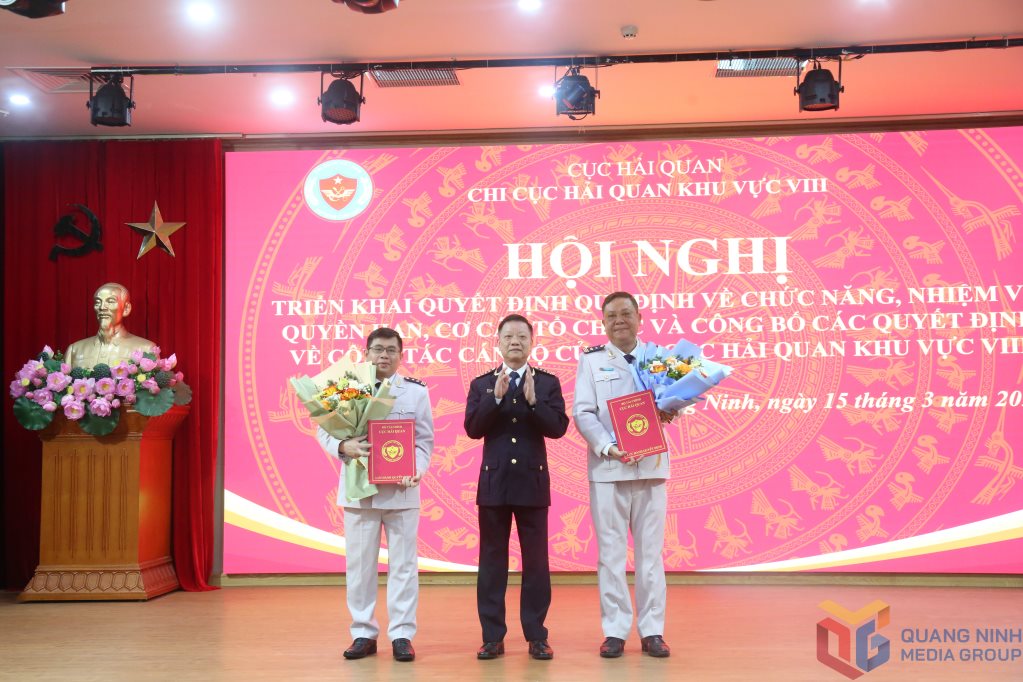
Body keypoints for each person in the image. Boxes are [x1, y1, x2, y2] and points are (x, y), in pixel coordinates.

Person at [316, 327, 434, 663]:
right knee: (360, 568)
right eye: (378, 349)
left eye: (391, 350)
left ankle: (401, 634)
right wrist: (343, 445)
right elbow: (323, 431)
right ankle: (363, 633)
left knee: (404, 567)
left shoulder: (415, 393)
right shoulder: (348, 388)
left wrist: (418, 469)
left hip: (401, 491)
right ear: (366, 352)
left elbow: (424, 441)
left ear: (401, 354)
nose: (384, 355)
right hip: (359, 493)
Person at [572, 292, 680, 659]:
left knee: (651, 556)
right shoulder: (591, 361)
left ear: (639, 317)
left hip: (650, 468)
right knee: (610, 556)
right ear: (603, 322)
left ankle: (652, 631)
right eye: (612, 315)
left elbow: (673, 400)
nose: (619, 320)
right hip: (608, 469)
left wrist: (671, 410)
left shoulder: (658, 358)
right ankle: (615, 631)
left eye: (626, 314)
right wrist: (606, 446)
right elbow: (584, 412)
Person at [464, 314, 569, 661]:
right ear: (497, 342)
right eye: (508, 336)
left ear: (532, 341)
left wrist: (535, 402)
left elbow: (557, 429)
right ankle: (492, 637)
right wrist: (493, 400)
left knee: (536, 563)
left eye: (521, 337)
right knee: (492, 562)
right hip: (494, 485)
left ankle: (537, 635)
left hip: (532, 483)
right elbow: (473, 430)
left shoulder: (547, 383)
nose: (515, 342)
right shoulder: (482, 384)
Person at [66, 282, 154, 368]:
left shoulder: (146, 349)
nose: (102, 307)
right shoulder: (75, 349)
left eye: (111, 301)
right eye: (98, 302)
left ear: (126, 309)